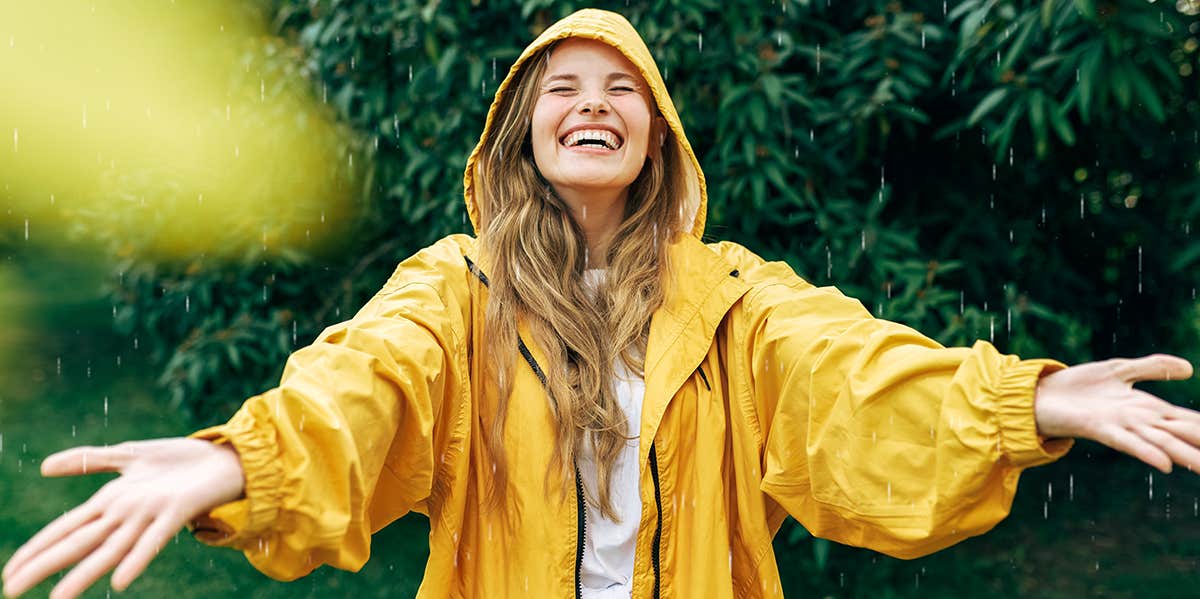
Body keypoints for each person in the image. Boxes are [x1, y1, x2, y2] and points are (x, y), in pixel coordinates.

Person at [3, 8, 1197, 599]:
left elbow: (854, 380)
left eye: (622, 88)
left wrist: (1023, 398)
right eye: (563, 86)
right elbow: (363, 386)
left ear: (653, 135)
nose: (593, 101)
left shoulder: (729, 298)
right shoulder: (454, 288)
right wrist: (242, 464)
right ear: (526, 130)